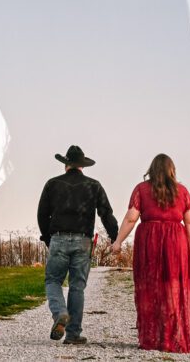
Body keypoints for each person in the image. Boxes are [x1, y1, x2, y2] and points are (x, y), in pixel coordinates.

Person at [112, 153, 190, 352]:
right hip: (176, 242)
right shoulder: (182, 191)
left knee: (149, 287)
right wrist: (189, 247)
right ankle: (171, 338)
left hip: (149, 240)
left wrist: (118, 241)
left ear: (152, 169)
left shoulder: (141, 189)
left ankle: (151, 338)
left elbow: (131, 219)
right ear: (171, 170)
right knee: (172, 288)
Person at [37, 145, 119, 344]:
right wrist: (114, 236)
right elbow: (106, 213)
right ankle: (73, 334)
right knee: (77, 287)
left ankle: (60, 312)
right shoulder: (94, 185)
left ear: (66, 164)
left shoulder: (52, 184)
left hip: (58, 237)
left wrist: (48, 238)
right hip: (83, 240)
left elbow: (42, 214)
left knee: (53, 281)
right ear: (83, 166)